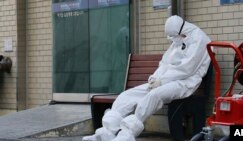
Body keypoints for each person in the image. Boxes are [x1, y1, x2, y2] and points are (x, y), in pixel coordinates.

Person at [82, 15, 211, 141]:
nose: (172, 39)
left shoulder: (199, 39)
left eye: (173, 36)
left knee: (154, 95)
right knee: (127, 96)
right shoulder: (179, 39)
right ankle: (106, 133)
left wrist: (162, 81)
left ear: (180, 31)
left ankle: (126, 135)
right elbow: (165, 62)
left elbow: (187, 68)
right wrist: (155, 78)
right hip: (167, 81)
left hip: (185, 83)